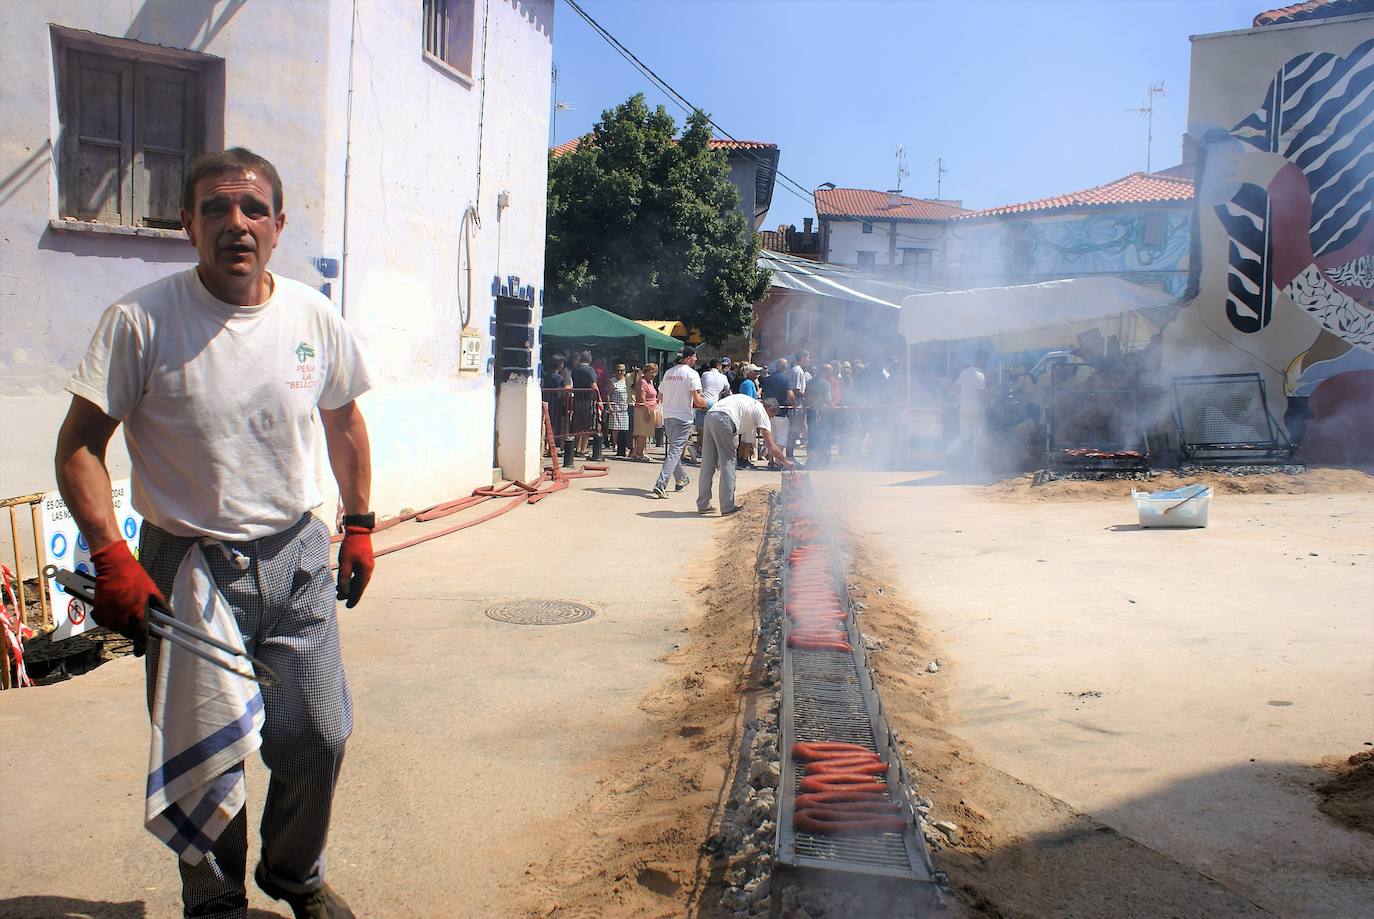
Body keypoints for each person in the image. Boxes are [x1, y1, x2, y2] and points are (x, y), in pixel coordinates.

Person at [53, 148, 369, 918]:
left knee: (318, 733)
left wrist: (358, 522)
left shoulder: (311, 316)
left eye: (254, 209)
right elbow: (79, 450)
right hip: (187, 564)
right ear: (188, 224)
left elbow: (345, 422)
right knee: (206, 749)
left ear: (279, 225)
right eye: (218, 208)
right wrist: (112, 555)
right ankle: (217, 899)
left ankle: (294, 874)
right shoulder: (140, 321)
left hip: (297, 559)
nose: (237, 224)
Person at [698, 395, 793, 514]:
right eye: (771, 415)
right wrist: (785, 461)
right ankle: (727, 507)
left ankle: (703, 504)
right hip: (724, 418)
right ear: (769, 408)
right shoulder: (761, 411)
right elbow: (771, 446)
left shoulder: (751, 404)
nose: (770, 418)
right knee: (728, 462)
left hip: (711, 414)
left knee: (707, 462)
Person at [651, 347, 707, 499]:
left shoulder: (668, 373)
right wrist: (711, 404)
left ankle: (681, 478)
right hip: (683, 417)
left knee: (673, 452)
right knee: (675, 451)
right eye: (695, 357)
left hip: (668, 415)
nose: (696, 360)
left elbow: (660, 396)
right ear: (688, 357)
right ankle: (661, 484)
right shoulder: (692, 374)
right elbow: (697, 400)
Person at [948, 351, 989, 461]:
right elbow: (982, 394)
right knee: (978, 437)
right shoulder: (980, 374)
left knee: (963, 436)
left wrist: (961, 397)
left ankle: (949, 453)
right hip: (976, 408)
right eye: (986, 361)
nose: (986, 364)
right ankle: (975, 462)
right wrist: (989, 401)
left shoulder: (964, 372)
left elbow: (954, 389)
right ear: (981, 361)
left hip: (963, 408)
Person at [760, 358, 795, 471]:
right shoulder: (786, 379)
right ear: (785, 367)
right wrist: (793, 405)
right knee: (782, 438)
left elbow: (763, 393)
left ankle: (771, 462)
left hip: (768, 413)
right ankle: (778, 462)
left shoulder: (768, 379)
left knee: (772, 439)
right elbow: (790, 395)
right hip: (781, 413)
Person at [805, 363, 836, 468]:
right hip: (823, 414)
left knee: (812, 436)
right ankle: (822, 461)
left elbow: (806, 397)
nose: (831, 373)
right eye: (830, 371)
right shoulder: (826, 383)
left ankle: (811, 461)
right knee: (823, 437)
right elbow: (828, 399)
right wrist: (832, 407)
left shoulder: (810, 382)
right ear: (825, 372)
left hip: (811, 413)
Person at [570, 351, 598, 456]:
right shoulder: (590, 370)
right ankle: (583, 448)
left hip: (577, 400)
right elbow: (594, 385)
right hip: (587, 400)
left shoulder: (575, 370)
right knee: (586, 426)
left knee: (578, 425)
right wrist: (598, 397)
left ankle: (576, 448)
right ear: (589, 359)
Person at [735, 365, 762, 468]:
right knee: (748, 439)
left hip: (745, 414)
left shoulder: (746, 383)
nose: (757, 374)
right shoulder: (749, 383)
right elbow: (750, 400)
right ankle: (744, 459)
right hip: (749, 415)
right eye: (755, 372)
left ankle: (742, 458)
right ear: (750, 373)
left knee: (744, 438)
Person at [631, 362, 659, 461]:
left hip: (651, 410)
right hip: (642, 410)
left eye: (655, 372)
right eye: (652, 372)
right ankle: (638, 454)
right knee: (641, 433)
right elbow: (641, 398)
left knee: (646, 433)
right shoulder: (642, 381)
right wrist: (647, 410)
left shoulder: (650, 382)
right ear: (646, 372)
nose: (653, 374)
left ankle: (642, 452)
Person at [606, 363, 631, 457]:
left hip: (625, 407)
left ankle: (623, 445)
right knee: (615, 427)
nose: (620, 372)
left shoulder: (627, 381)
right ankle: (615, 444)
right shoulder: (612, 381)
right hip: (615, 406)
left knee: (624, 428)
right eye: (618, 370)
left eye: (622, 370)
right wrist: (609, 406)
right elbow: (608, 394)